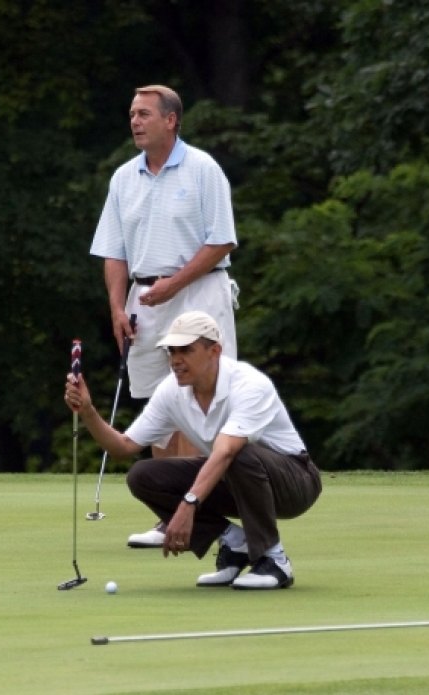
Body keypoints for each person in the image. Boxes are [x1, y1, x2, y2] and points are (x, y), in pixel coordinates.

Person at [64, 311, 322, 590]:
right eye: (171, 351)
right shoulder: (171, 390)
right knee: (142, 475)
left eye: (186, 350)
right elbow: (124, 448)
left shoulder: (249, 384)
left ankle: (274, 559)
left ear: (215, 351)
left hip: (295, 482)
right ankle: (235, 544)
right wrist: (88, 412)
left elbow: (225, 452)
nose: (176, 360)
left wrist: (188, 505)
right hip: (235, 480)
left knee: (237, 453)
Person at [90, 84, 240, 549]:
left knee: (198, 401)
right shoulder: (123, 179)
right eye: (132, 114)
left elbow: (222, 241)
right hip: (144, 298)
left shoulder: (202, 170)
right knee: (161, 403)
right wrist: (118, 307)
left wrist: (173, 285)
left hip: (198, 292)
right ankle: (167, 515)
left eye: (144, 114)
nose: (135, 121)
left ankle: (192, 513)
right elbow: (113, 252)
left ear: (171, 120)